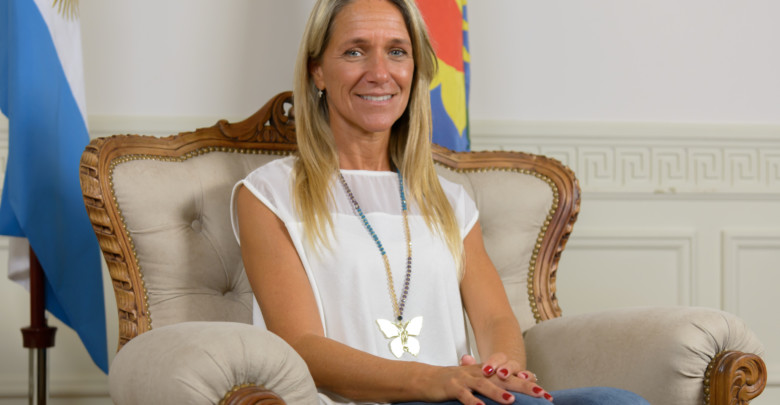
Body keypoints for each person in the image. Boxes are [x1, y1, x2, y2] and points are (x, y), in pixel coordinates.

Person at [231, 0, 650, 404]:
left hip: (456, 392)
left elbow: (495, 319)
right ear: (318, 71)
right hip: (367, 399)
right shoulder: (269, 196)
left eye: (397, 52)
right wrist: (431, 379)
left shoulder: (449, 200)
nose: (380, 73)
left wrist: (502, 369)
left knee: (618, 401)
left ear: (415, 70)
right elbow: (301, 345)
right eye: (355, 52)